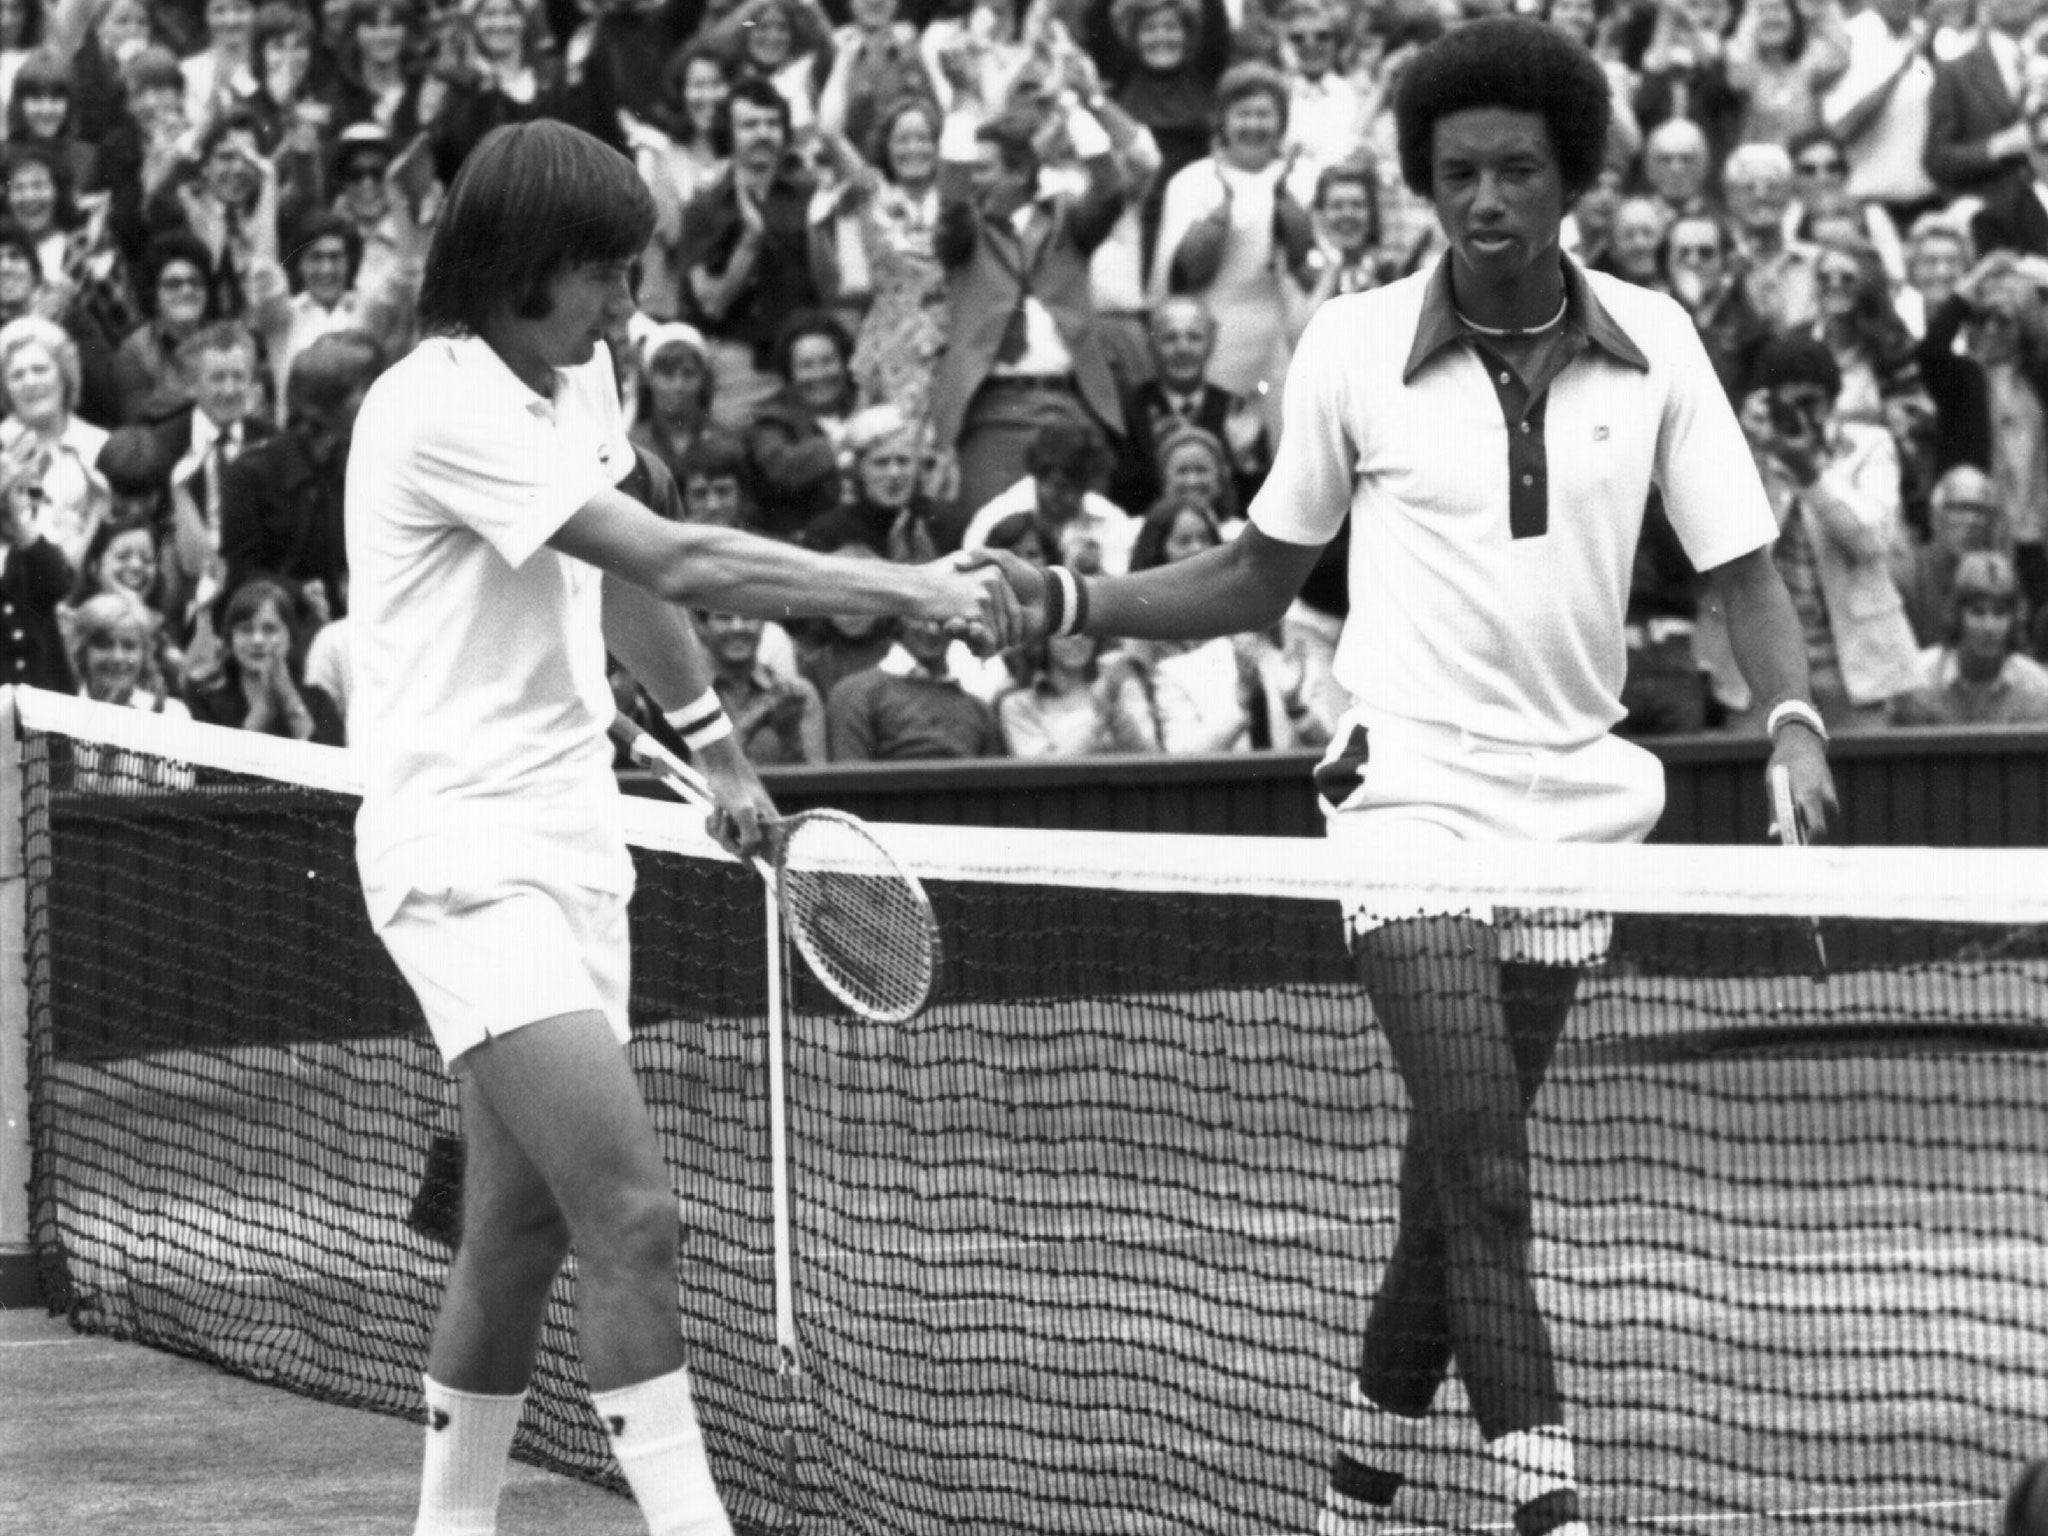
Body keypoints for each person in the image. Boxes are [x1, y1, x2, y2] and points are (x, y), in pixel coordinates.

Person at [969, 19, 1835, 1536]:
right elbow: (1253, 575)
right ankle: (1546, 1504)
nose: (1483, 200)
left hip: (1577, 804)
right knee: (1492, 1170)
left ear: (1573, 179)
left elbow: (1744, 571)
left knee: (1454, 1177)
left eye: (1514, 171)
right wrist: (1072, 602)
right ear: (1425, 182)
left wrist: (1794, 720)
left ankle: (1354, 1493)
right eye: (1454, 175)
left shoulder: (1660, 341)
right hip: (1409, 790)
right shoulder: (1353, 344)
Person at [343, 118, 1013, 1536]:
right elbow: (679, 554)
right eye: (605, 274)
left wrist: (717, 749)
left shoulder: (577, 376)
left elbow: (624, 558)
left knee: (516, 1232)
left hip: (576, 839)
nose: (627, 306)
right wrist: (907, 592)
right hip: (460, 856)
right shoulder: (433, 403)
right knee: (639, 1220)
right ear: (526, 266)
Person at [182, 573, 346, 742]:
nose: (257, 640)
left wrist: (289, 699)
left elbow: (325, 762)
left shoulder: (319, 701)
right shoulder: (205, 695)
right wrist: (262, 711)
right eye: (246, 629)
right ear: (231, 637)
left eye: (270, 629)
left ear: (290, 636)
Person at [1892, 548, 2048, 723]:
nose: (1989, 627)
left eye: (1999, 613)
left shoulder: (2037, 688)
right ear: (1957, 615)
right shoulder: (1918, 681)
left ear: (2014, 620)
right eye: (1977, 612)